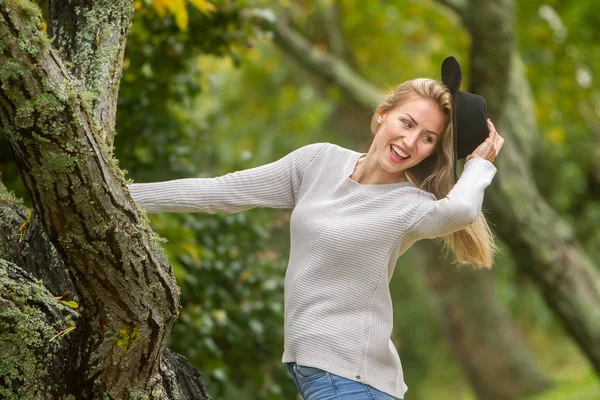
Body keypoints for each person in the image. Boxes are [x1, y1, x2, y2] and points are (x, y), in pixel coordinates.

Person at [127, 57, 504, 400]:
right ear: (382, 114)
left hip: (350, 379)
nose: (409, 142)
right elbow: (221, 191)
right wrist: (121, 194)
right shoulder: (318, 162)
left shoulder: (410, 207)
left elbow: (461, 210)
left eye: (428, 138)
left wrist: (478, 165)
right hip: (323, 376)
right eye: (407, 123)